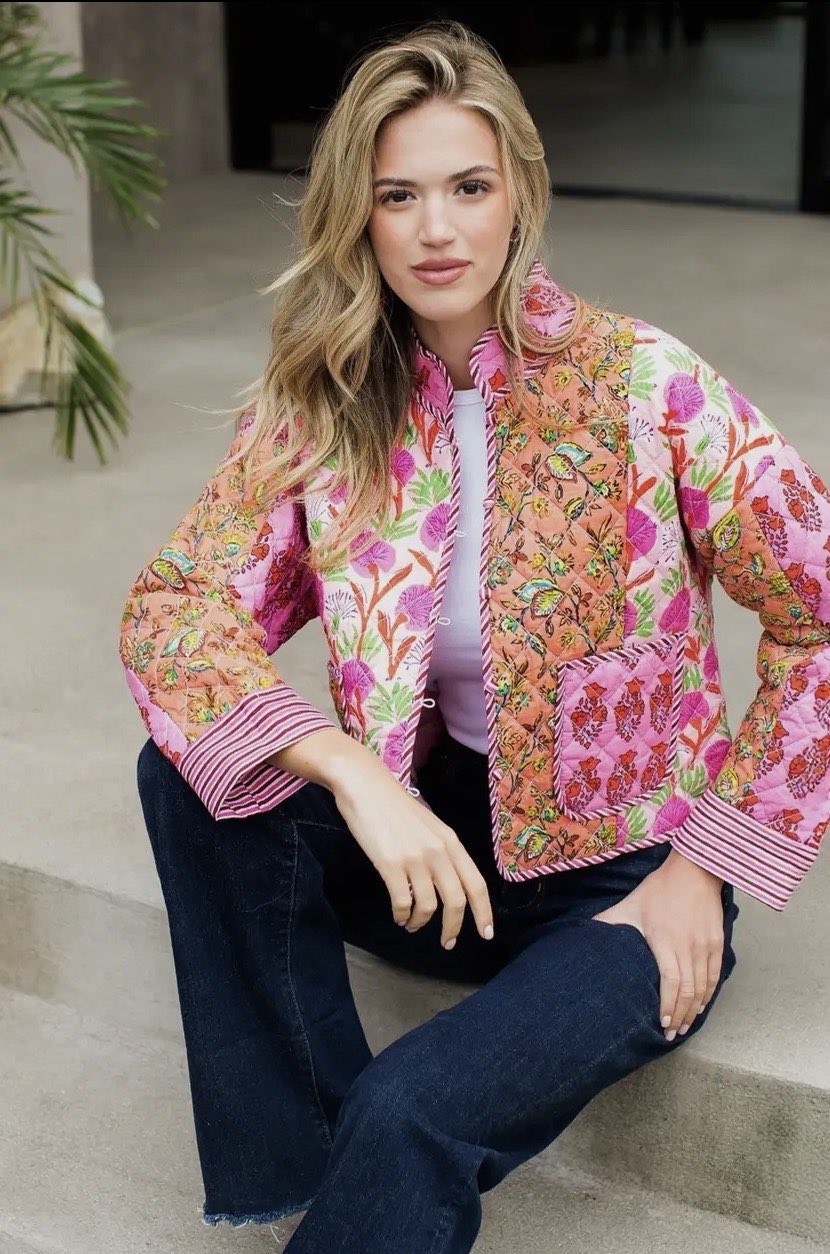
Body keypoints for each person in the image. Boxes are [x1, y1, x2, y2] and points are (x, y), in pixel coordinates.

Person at [119, 20, 829, 1252]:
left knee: (409, 1111)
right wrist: (353, 775)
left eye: (467, 187)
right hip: (435, 854)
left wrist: (700, 872)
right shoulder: (329, 406)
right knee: (189, 768)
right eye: (397, 195)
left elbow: (817, 614)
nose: (435, 229)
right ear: (357, 216)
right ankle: (314, 1150)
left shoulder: (643, 385)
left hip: (621, 882)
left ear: (519, 196)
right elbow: (177, 607)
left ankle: (373, 1152)